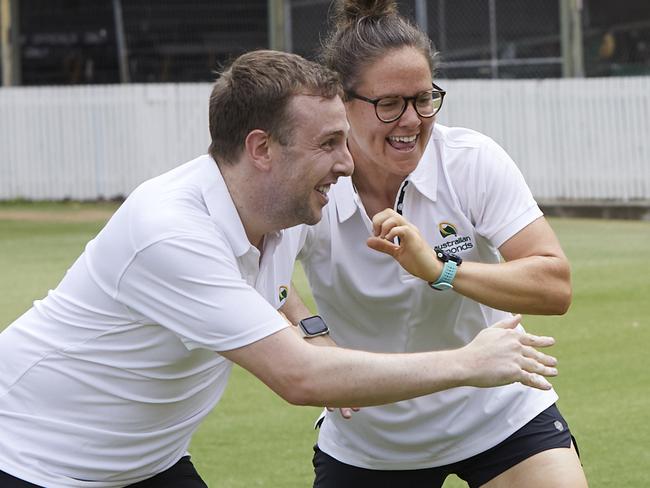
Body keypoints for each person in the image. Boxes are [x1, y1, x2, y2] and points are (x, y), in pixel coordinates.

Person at [0, 50, 559, 488]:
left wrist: (314, 330)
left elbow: (276, 292)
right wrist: (469, 362)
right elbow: (299, 378)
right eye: (330, 144)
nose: (347, 163)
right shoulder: (170, 233)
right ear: (262, 148)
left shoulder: (283, 208)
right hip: (31, 457)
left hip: (145, 462)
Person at [281, 1, 589, 487]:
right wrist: (311, 328)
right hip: (370, 441)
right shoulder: (312, 177)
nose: (412, 120)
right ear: (342, 101)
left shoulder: (471, 160)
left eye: (424, 99)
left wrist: (441, 270)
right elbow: (258, 271)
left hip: (499, 414)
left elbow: (554, 284)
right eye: (390, 104)